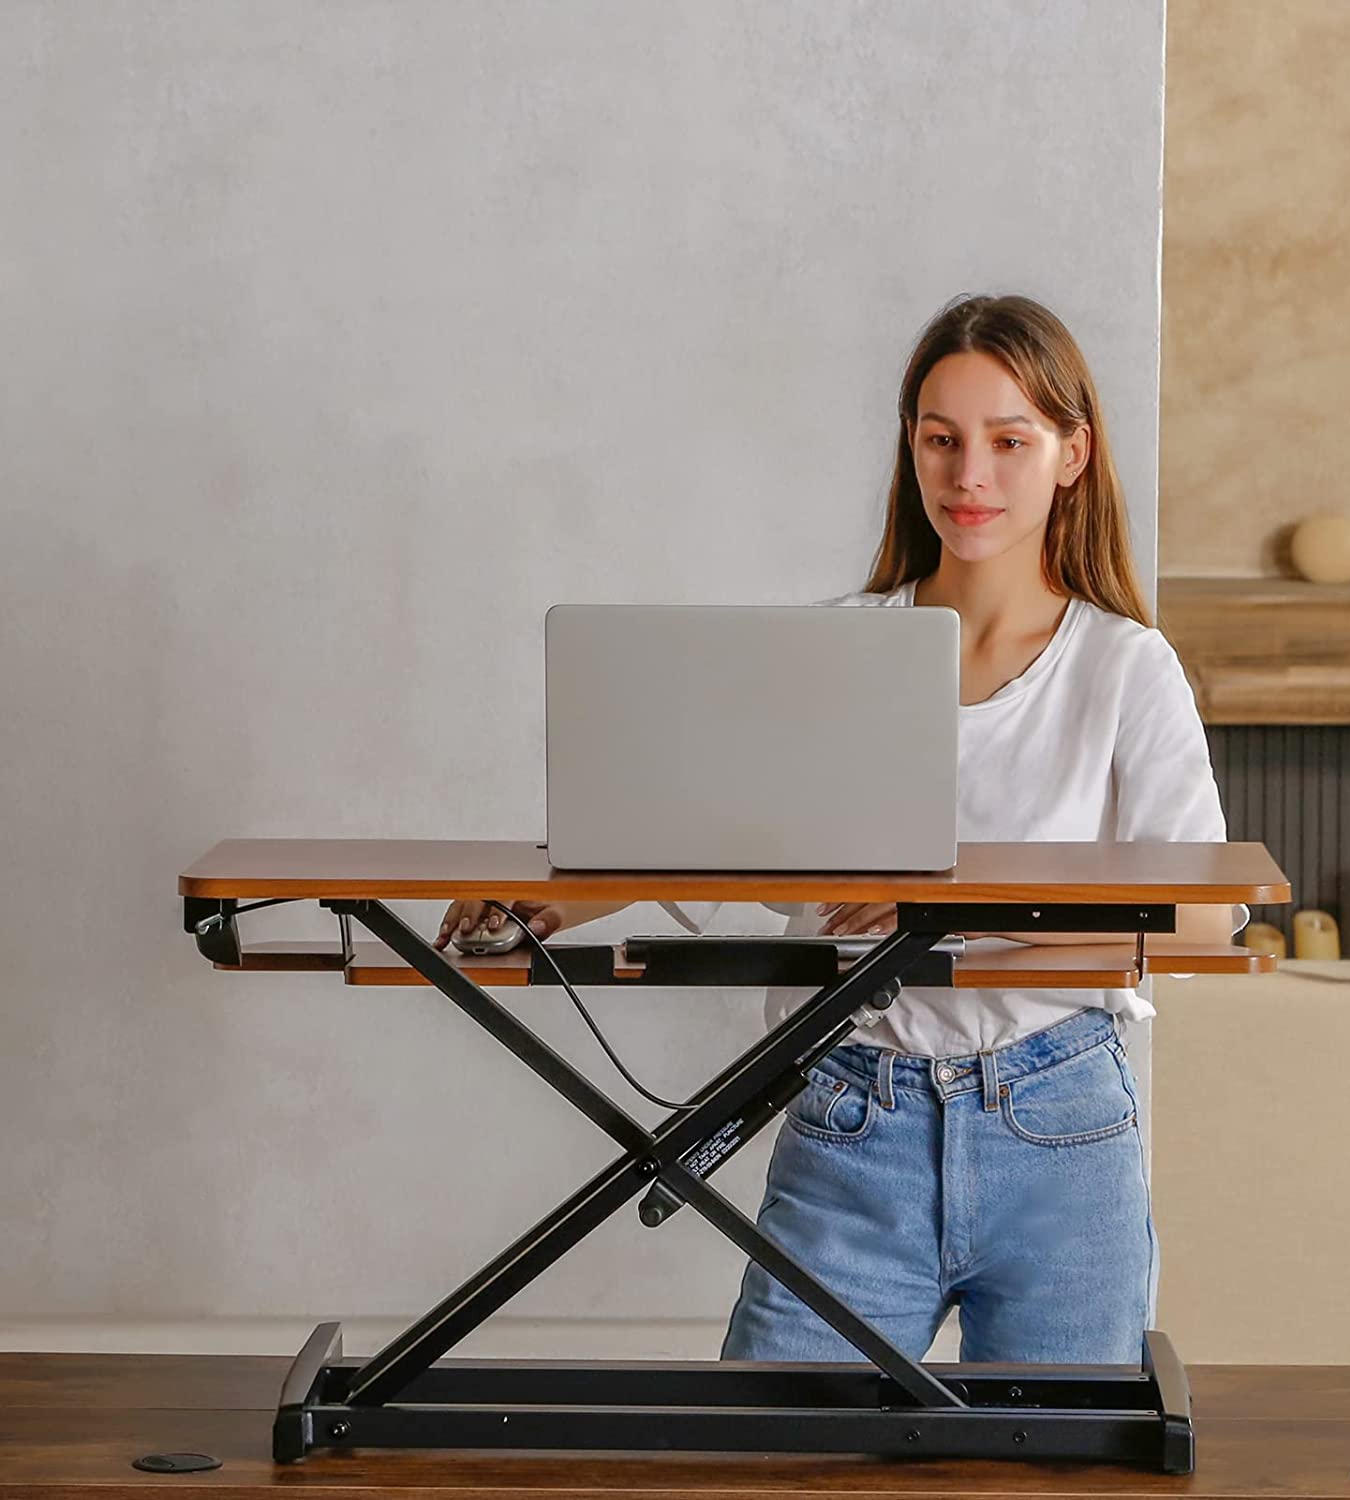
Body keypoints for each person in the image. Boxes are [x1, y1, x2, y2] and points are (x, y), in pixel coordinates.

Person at [434, 293, 1244, 1366]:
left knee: (1065, 1473)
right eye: (942, 440)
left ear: (1071, 455)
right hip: (856, 1117)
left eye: (1010, 442)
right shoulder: (842, 651)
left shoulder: (1123, 669)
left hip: (1061, 1130)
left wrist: (949, 924)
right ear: (910, 448)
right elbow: (722, 842)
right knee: (784, 1467)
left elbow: (1204, 925)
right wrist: (555, 896)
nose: (970, 477)